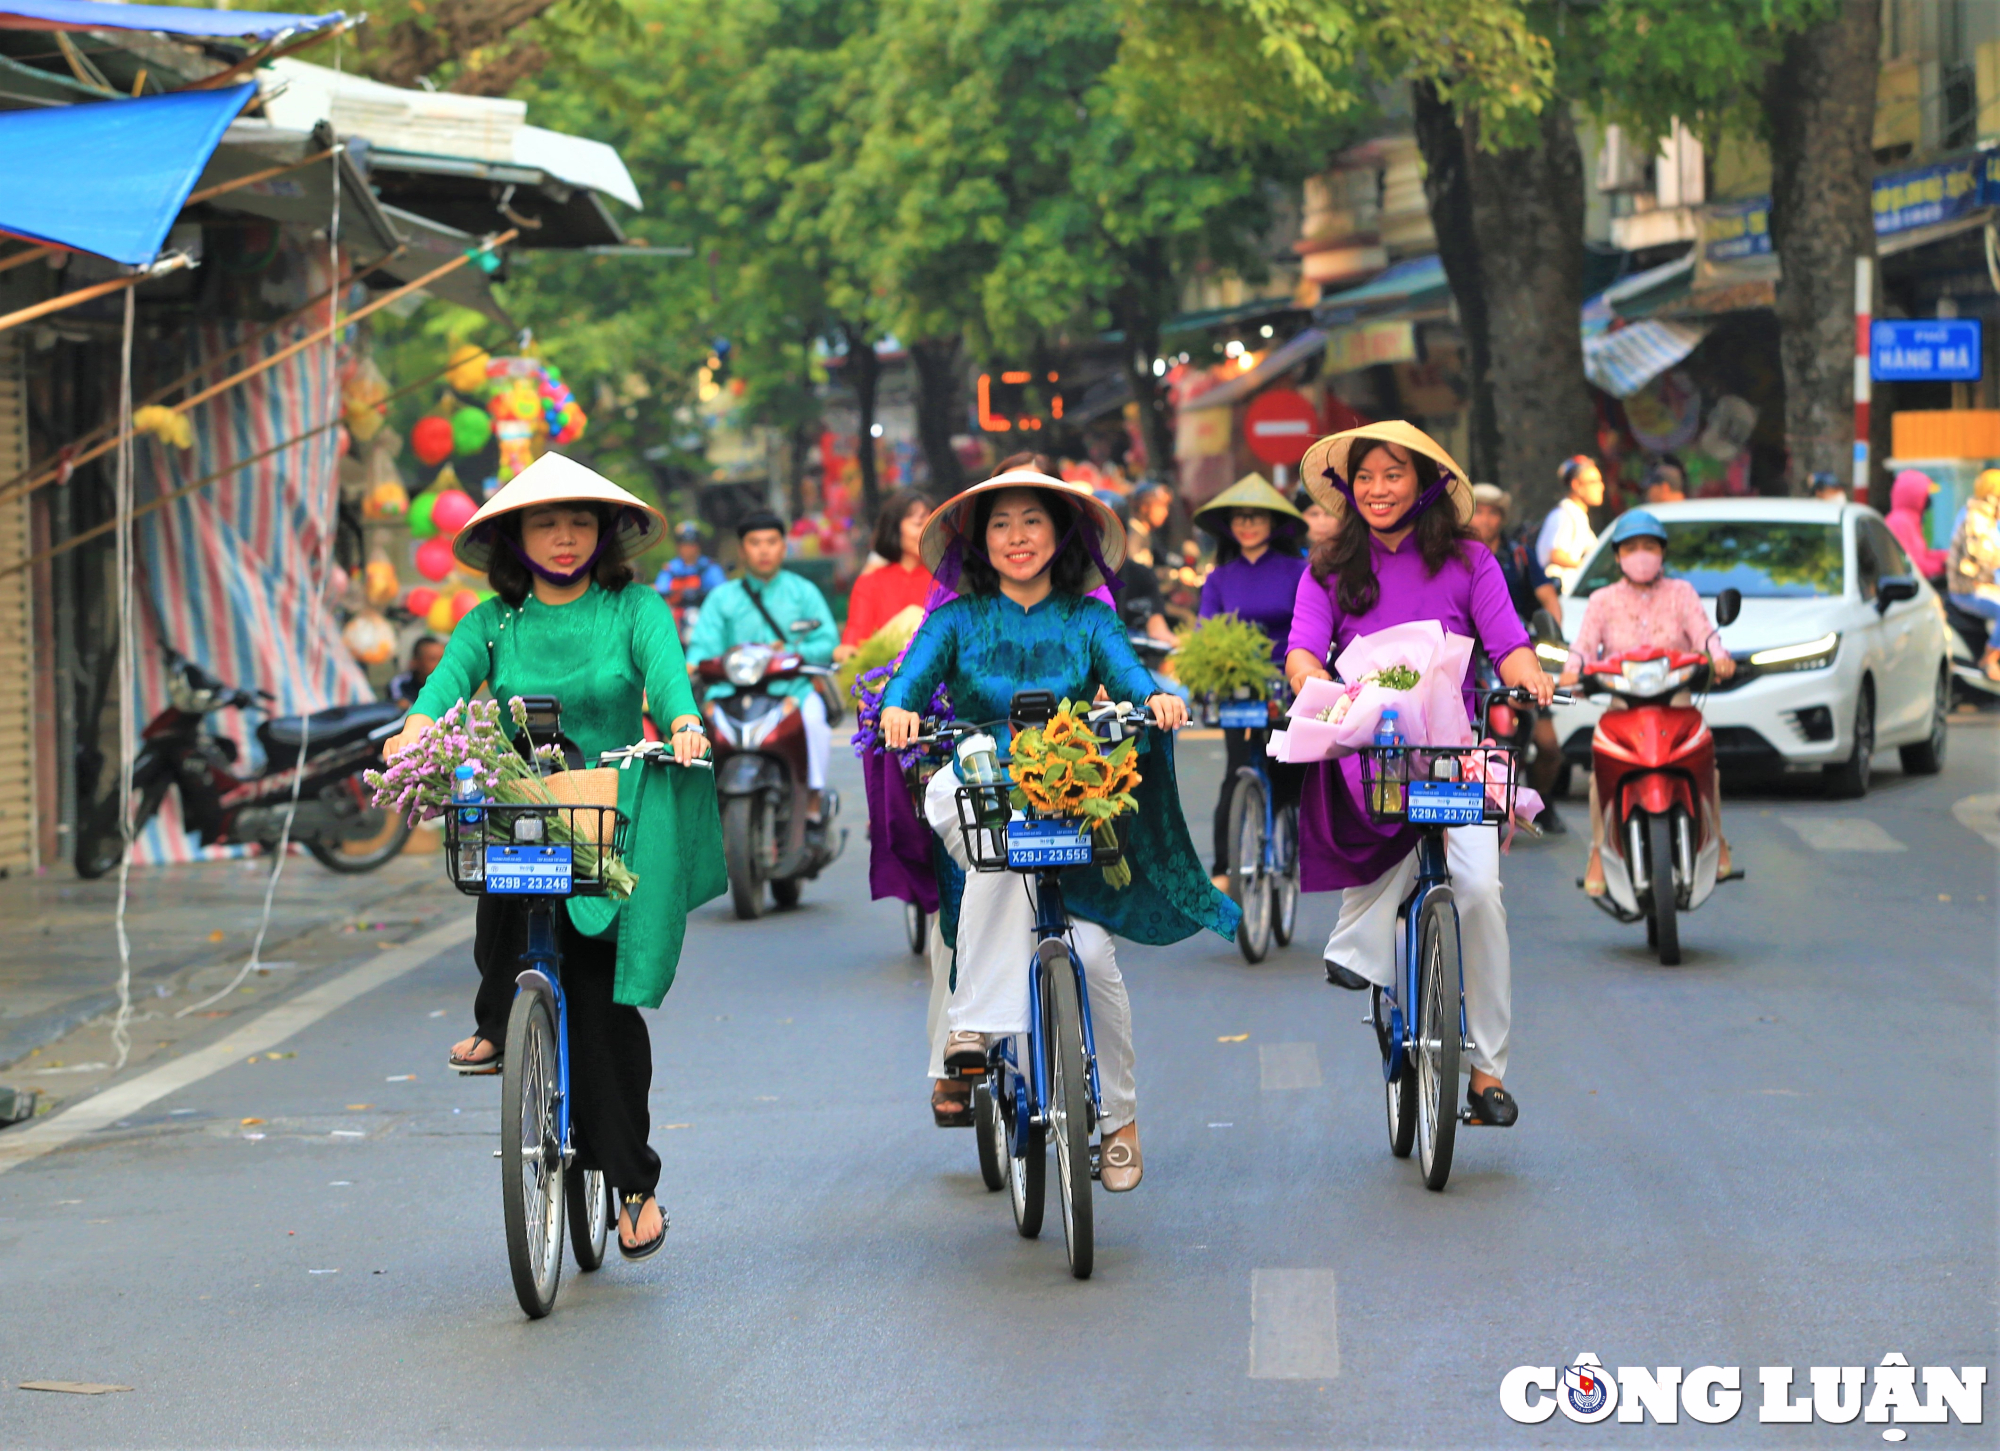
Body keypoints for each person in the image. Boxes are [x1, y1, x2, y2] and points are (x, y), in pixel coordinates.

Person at [383, 452, 716, 1261]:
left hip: (610, 813)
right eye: (545, 522)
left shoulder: (633, 608)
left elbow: (669, 682)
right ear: (516, 537)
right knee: (500, 841)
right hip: (523, 806)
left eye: (578, 522)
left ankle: (634, 1187)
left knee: (603, 1011)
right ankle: (501, 1016)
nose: (564, 537)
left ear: (603, 532)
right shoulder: (492, 622)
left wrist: (682, 722)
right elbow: (444, 689)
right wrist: (415, 731)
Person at [880, 467, 1235, 1188]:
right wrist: (898, 710)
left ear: (1060, 533)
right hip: (977, 781)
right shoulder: (955, 618)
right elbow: (907, 683)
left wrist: (1158, 703)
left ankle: (1121, 1119)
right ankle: (973, 1022)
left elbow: (1132, 680)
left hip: (1067, 791)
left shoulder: (1089, 617)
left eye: (1032, 520)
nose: (1017, 537)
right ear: (980, 538)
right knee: (990, 841)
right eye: (1001, 523)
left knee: (1097, 957)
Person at [1285, 422, 1553, 1129]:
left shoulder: (1469, 560)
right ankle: (1362, 946)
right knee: (1388, 826)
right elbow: (1304, 652)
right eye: (1365, 477)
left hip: (1452, 754)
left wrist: (1530, 680)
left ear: (1426, 480)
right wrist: (1320, 686)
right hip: (1370, 753)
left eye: (1393, 473)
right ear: (1348, 487)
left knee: (1480, 893)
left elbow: (1509, 643)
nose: (1378, 489)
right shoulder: (1329, 563)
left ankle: (1487, 1069)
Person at [1555, 509, 1736, 894]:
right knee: (1598, 773)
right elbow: (1584, 646)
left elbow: (1705, 635)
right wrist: (1572, 671)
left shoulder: (1681, 593)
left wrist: (1719, 656)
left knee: (1708, 764)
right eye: (1632, 547)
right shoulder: (1602, 600)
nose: (1641, 554)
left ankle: (1716, 840)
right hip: (1622, 703)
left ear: (1662, 553)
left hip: (1676, 699)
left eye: (1649, 546)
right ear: (1618, 555)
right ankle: (1599, 851)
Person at [1194, 474, 1309, 888]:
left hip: (1289, 680)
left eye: (1256, 517)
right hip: (1238, 685)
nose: (1247, 525)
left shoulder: (1300, 570)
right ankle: (1224, 867)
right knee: (1238, 768)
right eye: (1240, 518)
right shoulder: (1219, 578)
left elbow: (1311, 626)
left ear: (1274, 523)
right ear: (1229, 526)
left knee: (1289, 768)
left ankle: (1291, 837)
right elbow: (1206, 631)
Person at [686, 510, 839, 819]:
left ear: (784, 547)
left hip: (791, 690)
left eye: (771, 542)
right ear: (742, 551)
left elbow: (827, 642)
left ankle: (812, 799)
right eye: (755, 543)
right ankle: (699, 813)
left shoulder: (803, 592)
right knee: (695, 733)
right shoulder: (721, 598)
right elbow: (702, 648)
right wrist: (690, 666)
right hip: (728, 693)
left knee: (815, 721)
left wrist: (795, 650)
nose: (764, 549)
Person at [1470, 483, 1565, 833]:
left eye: (1494, 512)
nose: (1486, 519)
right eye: (1479, 510)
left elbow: (1548, 600)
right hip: (1474, 657)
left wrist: (1553, 631)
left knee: (1549, 746)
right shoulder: (1456, 557)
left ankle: (1542, 801)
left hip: (1517, 654)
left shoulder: (1519, 556)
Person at [835, 489, 934, 661]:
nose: (927, 532)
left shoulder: (950, 579)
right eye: (918, 524)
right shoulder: (870, 583)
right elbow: (856, 639)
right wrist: (845, 651)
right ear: (895, 528)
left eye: (932, 524)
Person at [1947, 468, 2000, 682]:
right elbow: (1982, 558)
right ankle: (1989, 660)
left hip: (1979, 585)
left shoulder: (1985, 517)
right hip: (1967, 589)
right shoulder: (1977, 519)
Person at [1536, 454, 1604, 593]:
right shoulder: (1565, 515)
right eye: (1593, 482)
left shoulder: (1577, 515)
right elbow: (1556, 554)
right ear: (1576, 485)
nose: (1601, 487)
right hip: (1560, 594)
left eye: (1600, 481)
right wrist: (1588, 567)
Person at [1885, 469, 1947, 581]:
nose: (1929, 500)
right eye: (1926, 495)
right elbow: (1912, 564)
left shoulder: (1910, 520)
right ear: (1915, 496)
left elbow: (1921, 555)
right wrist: (1942, 566)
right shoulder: (1899, 522)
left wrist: (1945, 557)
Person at [654, 522, 728, 610]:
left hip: (704, 612)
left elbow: (722, 590)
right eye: (684, 544)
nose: (688, 549)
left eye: (692, 544)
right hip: (677, 615)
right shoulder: (670, 569)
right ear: (678, 547)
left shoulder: (709, 567)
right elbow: (661, 588)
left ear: (698, 546)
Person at [1125, 480, 1173, 568]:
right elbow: (1136, 571)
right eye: (1160, 506)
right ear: (1144, 507)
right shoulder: (1134, 535)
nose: (1165, 512)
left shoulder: (1146, 534)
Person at [387, 636, 444, 706]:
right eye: (433, 659)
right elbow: (401, 707)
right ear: (416, 661)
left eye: (442, 659)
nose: (440, 664)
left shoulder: (448, 684)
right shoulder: (400, 683)